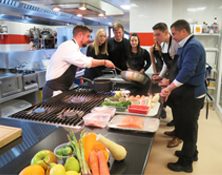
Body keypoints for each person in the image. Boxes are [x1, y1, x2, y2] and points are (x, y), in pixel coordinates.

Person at [161, 19, 206, 173]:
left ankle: (186, 164)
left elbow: (187, 72)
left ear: (183, 31)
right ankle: (192, 153)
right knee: (188, 126)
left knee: (189, 128)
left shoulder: (192, 46)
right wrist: (169, 80)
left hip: (193, 94)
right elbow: (177, 68)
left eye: (174, 34)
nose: (172, 37)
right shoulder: (185, 45)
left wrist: (169, 87)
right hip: (187, 91)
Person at [42, 24, 115, 100]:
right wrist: (104, 62)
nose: (89, 39)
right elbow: (85, 62)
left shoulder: (73, 47)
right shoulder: (68, 46)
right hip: (54, 92)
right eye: (87, 36)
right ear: (80, 35)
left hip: (61, 91)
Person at [152, 23, 179, 139]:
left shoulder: (175, 44)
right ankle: (175, 125)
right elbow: (165, 64)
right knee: (173, 102)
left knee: (178, 104)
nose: (156, 38)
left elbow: (177, 65)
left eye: (158, 34)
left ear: (166, 32)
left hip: (177, 76)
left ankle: (179, 131)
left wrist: (169, 80)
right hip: (171, 75)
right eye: (155, 35)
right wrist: (160, 76)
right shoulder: (163, 45)